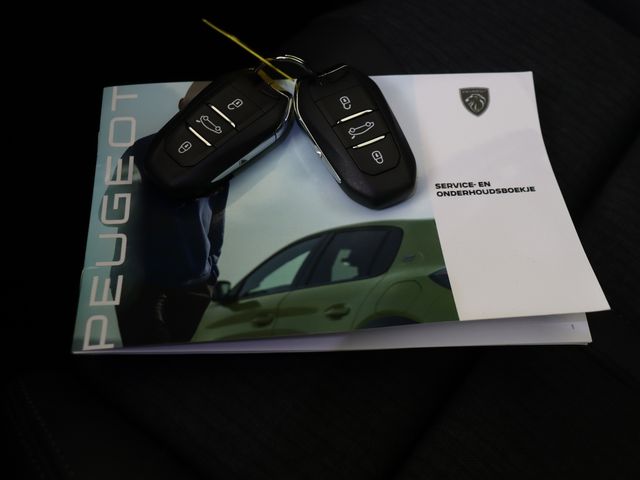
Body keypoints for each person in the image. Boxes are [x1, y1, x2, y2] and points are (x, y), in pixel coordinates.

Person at [105, 82, 229, 346]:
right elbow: (109, 211)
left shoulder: (222, 160)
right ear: (182, 106)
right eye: (196, 105)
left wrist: (209, 273)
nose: (201, 114)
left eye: (209, 106)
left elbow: (217, 222)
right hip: (142, 286)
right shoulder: (142, 150)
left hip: (193, 287)